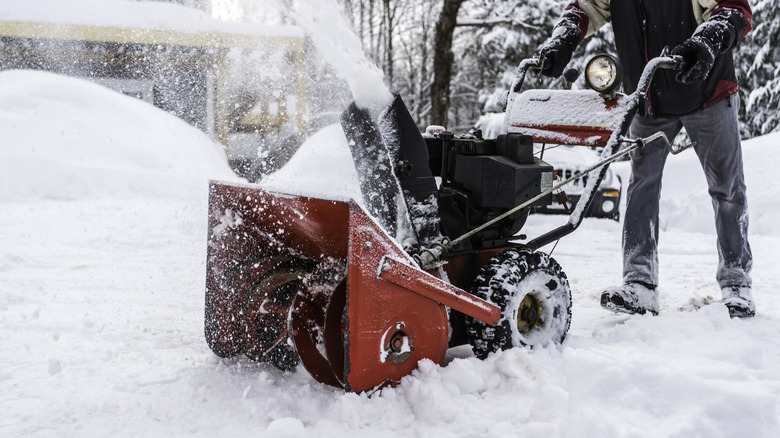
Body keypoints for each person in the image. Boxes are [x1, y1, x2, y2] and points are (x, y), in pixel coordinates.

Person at [536, 0, 755, 318]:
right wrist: (565, 37)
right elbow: (584, 9)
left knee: (727, 187)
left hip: (708, 91)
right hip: (649, 97)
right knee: (642, 187)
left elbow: (735, 9)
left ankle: (737, 285)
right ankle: (640, 284)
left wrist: (709, 37)